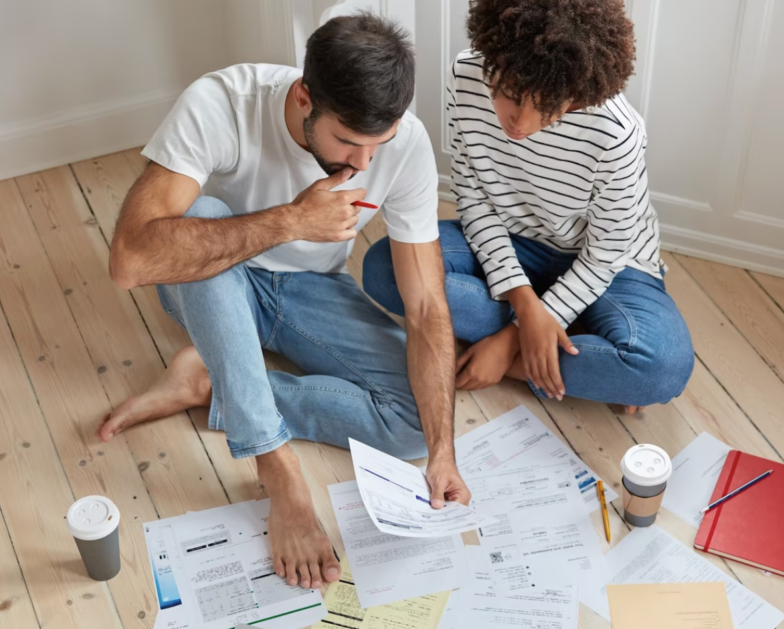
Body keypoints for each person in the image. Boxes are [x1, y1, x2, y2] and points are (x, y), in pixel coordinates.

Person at [99, 13, 469, 590]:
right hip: (213, 281)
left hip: (310, 290)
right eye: (347, 141)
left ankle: (209, 384)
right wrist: (292, 220)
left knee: (414, 425)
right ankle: (278, 467)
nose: (363, 164)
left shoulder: (406, 145)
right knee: (200, 216)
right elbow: (131, 259)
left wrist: (443, 453)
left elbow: (425, 307)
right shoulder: (221, 102)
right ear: (304, 98)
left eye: (380, 144)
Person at [363, 0, 694, 413]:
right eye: (511, 95)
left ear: (573, 96)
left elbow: (607, 252)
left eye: (548, 110)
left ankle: (522, 351)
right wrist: (524, 302)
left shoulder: (616, 130)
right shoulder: (466, 76)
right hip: (512, 242)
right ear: (494, 62)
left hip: (609, 266)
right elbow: (475, 198)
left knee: (662, 368)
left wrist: (511, 339)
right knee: (383, 268)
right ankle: (567, 338)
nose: (521, 122)